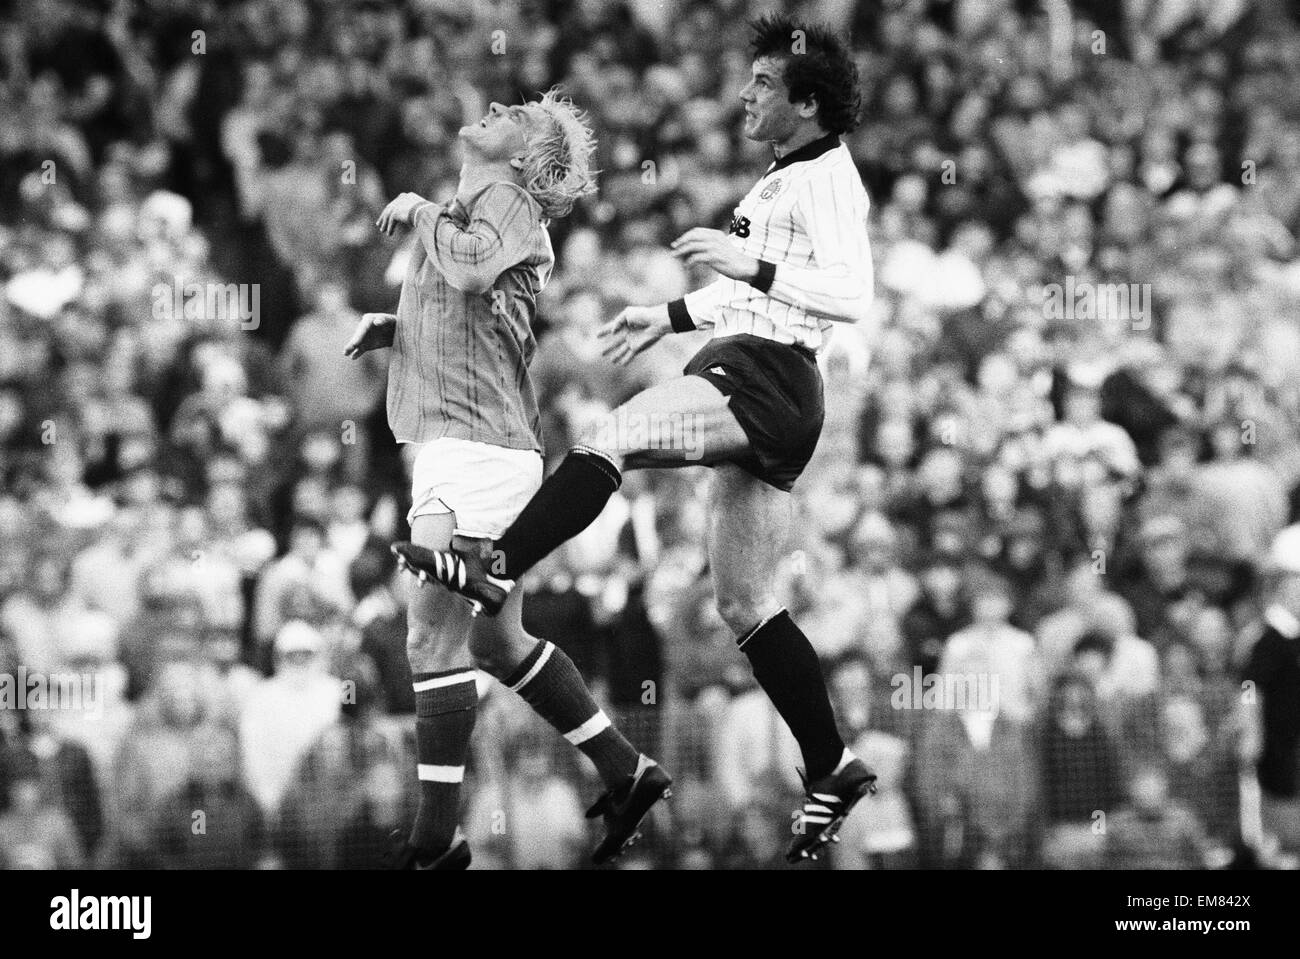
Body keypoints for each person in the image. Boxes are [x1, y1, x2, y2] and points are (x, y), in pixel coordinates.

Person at [393, 15, 877, 862]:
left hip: (767, 376)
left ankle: (497, 560)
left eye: (762, 84)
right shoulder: (780, 176)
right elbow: (767, 296)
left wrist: (747, 269)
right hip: (761, 370)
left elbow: (850, 293)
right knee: (746, 604)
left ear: (807, 102)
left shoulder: (826, 172)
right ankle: (832, 764)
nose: (744, 95)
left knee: (612, 435)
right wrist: (670, 314)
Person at [344, 89, 666, 869]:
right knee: (493, 640)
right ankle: (627, 768)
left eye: (514, 114)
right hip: (474, 439)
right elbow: (476, 318)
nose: (493, 103)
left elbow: (470, 271)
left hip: (478, 444)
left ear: (524, 158)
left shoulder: (510, 202)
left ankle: (435, 838)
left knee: (430, 634)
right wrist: (391, 326)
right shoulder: (476, 204)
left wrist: (421, 210)